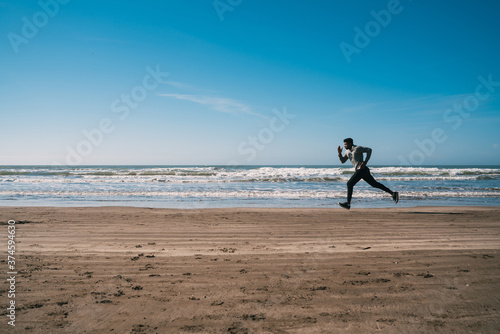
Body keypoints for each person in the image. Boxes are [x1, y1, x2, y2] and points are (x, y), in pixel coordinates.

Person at [337, 138, 399, 210]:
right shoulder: (347, 152)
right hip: (361, 170)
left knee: (349, 184)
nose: (344, 145)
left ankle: (348, 203)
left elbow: (369, 150)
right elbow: (343, 161)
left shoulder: (357, 148)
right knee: (374, 184)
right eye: (344, 144)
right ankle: (393, 193)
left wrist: (365, 161)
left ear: (350, 143)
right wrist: (339, 153)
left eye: (346, 144)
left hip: (362, 169)